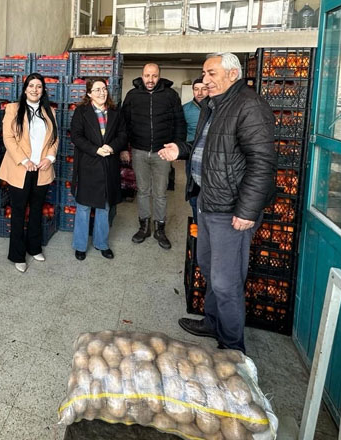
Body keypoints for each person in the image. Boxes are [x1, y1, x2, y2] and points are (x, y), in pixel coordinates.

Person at [159, 52, 276, 353]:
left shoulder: (249, 106)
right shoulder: (214, 106)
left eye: (211, 73)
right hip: (206, 200)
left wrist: (247, 210)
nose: (205, 80)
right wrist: (181, 150)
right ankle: (212, 322)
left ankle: (233, 349)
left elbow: (262, 162)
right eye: (204, 73)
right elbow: (209, 149)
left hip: (230, 209)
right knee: (208, 267)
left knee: (226, 282)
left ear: (232, 74)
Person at [0, 73, 59, 272]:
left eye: (39, 86)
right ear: (25, 89)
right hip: (20, 169)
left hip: (42, 169)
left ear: (43, 90)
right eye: (31, 86)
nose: (35, 89)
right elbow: (8, 138)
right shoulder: (13, 109)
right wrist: (24, 161)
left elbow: (54, 139)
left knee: (36, 210)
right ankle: (17, 254)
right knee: (18, 212)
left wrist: (49, 158)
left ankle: (34, 248)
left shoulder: (50, 112)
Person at [121, 63, 186, 250]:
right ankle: (144, 227)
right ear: (142, 76)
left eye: (154, 76)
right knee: (143, 191)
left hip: (162, 152)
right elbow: (124, 124)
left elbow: (179, 123)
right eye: (147, 75)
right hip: (139, 151)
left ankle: (160, 229)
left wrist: (178, 149)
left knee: (160, 193)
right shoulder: (132, 96)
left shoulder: (170, 95)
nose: (150, 80)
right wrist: (125, 148)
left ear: (159, 76)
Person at [70, 78, 127, 261]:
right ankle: (80, 245)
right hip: (88, 164)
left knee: (105, 206)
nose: (102, 92)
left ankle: (101, 243)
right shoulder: (81, 112)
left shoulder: (115, 112)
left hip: (108, 164)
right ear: (89, 93)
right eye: (97, 90)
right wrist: (95, 150)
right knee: (84, 207)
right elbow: (76, 137)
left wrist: (111, 147)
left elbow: (123, 134)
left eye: (104, 89)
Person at [182, 77, 209, 222]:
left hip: (211, 158)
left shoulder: (215, 109)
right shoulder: (185, 109)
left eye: (204, 89)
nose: (200, 93)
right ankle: (196, 222)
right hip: (192, 157)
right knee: (193, 191)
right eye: (196, 89)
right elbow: (181, 133)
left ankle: (206, 222)